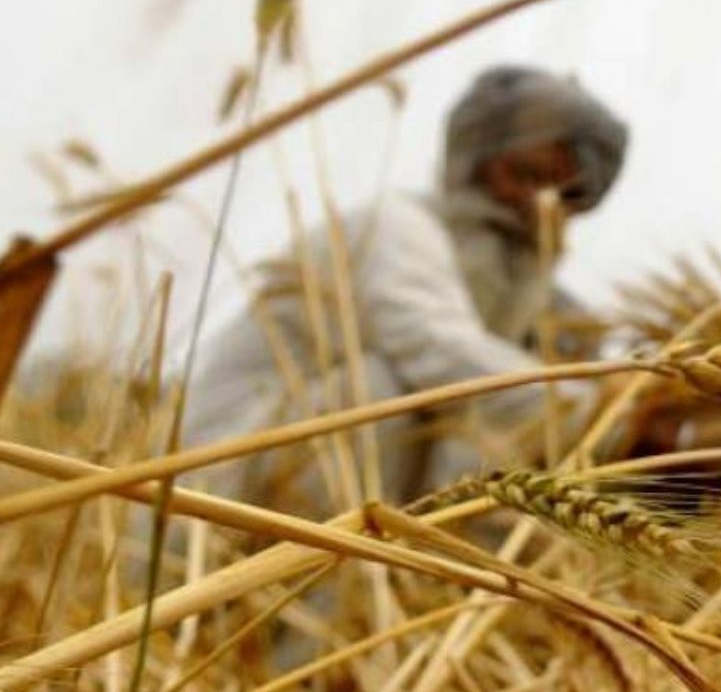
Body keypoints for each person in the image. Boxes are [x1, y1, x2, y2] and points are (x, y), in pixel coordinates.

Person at [188, 64, 629, 510]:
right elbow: (433, 347)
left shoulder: (544, 309)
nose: (538, 202)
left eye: (568, 193)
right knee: (386, 390)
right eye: (527, 175)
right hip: (214, 488)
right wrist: (602, 412)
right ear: (475, 158)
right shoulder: (395, 227)